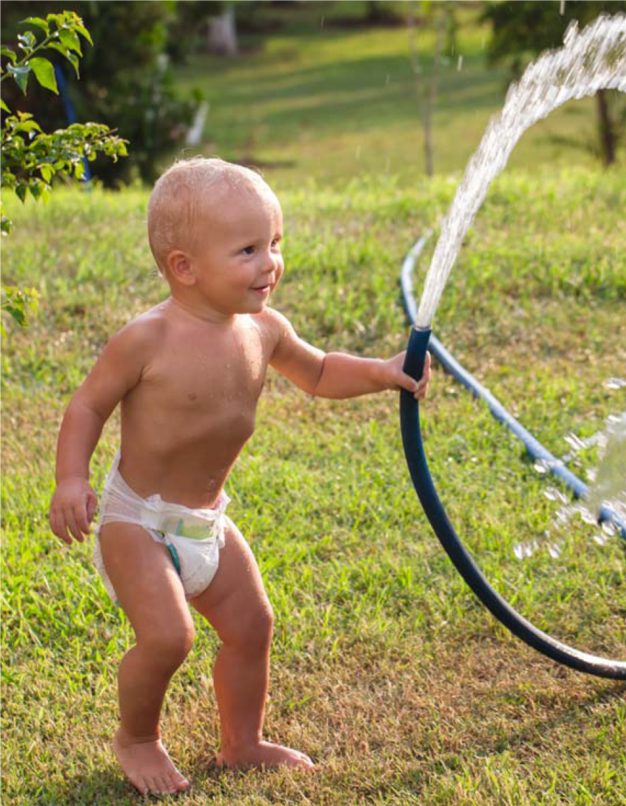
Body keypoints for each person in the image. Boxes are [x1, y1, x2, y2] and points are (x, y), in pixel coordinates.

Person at [48, 156, 431, 796]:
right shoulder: (147, 340)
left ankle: (241, 742)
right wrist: (70, 479)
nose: (270, 263)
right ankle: (137, 738)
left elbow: (320, 371)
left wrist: (381, 370)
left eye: (275, 243)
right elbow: (87, 405)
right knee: (169, 637)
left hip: (206, 522)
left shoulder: (264, 329)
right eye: (249, 249)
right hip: (135, 520)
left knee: (253, 625)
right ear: (184, 267)